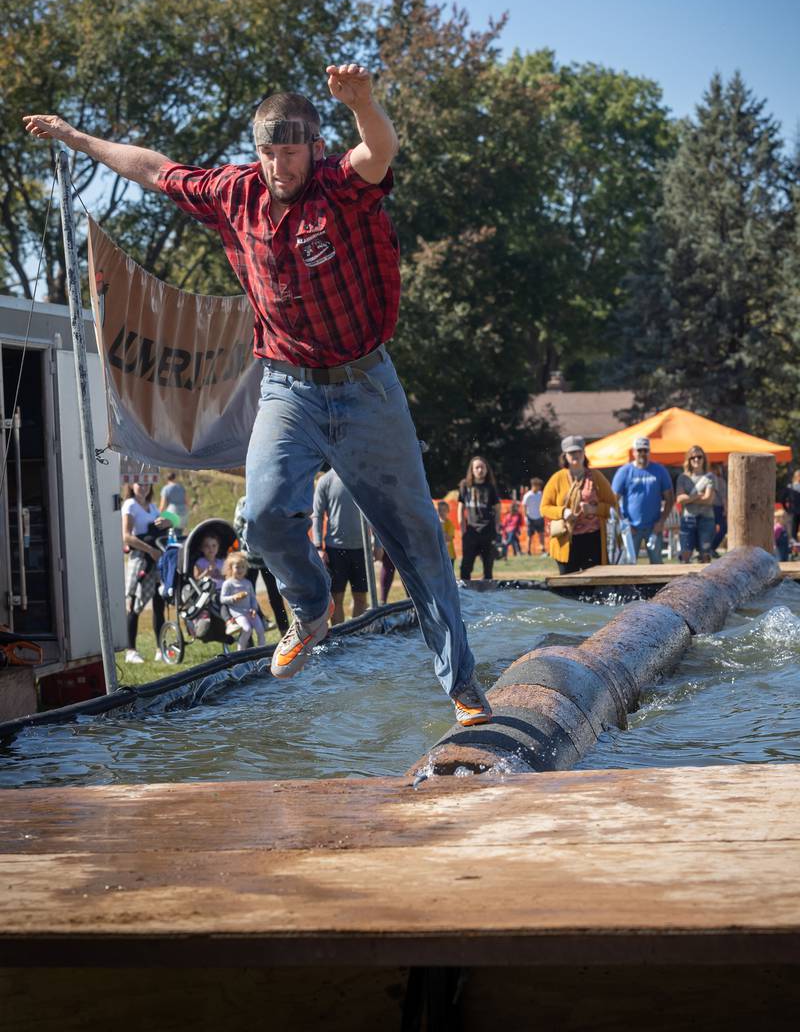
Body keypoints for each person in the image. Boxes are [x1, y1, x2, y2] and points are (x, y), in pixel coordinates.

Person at [24, 66, 491, 728]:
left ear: (313, 148)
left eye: (291, 152)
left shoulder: (339, 188)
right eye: (269, 152)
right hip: (286, 386)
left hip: (366, 386)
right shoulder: (233, 192)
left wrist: (364, 104)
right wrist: (77, 137)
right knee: (264, 515)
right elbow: (154, 169)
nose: (279, 166)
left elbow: (378, 152)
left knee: (416, 538)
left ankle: (463, 685)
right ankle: (309, 609)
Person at [541, 436, 617, 575]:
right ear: (565, 456)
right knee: (568, 586)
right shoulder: (557, 479)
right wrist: (563, 512)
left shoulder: (596, 476)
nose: (575, 456)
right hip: (566, 540)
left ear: (584, 454)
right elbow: (544, 507)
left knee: (594, 584)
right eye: (571, 453)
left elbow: (613, 506)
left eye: (578, 452)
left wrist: (594, 509)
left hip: (593, 539)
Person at [312, 468, 368, 625]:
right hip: (335, 549)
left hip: (361, 548)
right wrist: (318, 547)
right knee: (336, 599)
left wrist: (378, 543)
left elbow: (375, 510)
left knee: (361, 597)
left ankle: (359, 637)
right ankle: (341, 641)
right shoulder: (326, 480)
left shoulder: (363, 476)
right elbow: (317, 515)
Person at [121, 482, 169, 663]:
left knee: (159, 603)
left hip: (155, 559)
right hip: (140, 558)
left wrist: (168, 521)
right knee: (134, 604)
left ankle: (160, 648)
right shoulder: (130, 505)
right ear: (131, 485)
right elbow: (126, 536)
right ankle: (131, 651)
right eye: (139, 483)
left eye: (147, 483)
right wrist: (150, 550)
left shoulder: (153, 507)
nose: (143, 486)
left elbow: (172, 522)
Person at [611, 436, 674, 564]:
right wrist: (624, 522)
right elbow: (613, 500)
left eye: (645, 450)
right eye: (639, 450)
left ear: (649, 452)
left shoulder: (659, 470)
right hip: (631, 527)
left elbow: (670, 498)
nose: (642, 454)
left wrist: (661, 521)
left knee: (657, 564)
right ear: (633, 452)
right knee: (629, 564)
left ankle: (657, 585)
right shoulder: (624, 472)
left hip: (654, 527)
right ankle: (629, 586)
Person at [233, 495, 290, 633]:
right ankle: (252, 631)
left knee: (275, 596)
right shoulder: (244, 501)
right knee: (246, 596)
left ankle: (285, 630)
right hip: (248, 559)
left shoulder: (269, 499)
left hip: (268, 558)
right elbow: (237, 527)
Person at [457, 457, 501, 581]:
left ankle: (487, 597)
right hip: (471, 531)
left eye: (482, 467)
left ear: (487, 469)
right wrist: (462, 526)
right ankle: (465, 596)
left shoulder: (491, 487)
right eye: (477, 467)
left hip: (488, 531)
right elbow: (460, 507)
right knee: (465, 567)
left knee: (488, 568)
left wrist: (498, 526)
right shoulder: (465, 485)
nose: (480, 470)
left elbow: (498, 508)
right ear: (472, 469)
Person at [674, 445, 716, 563]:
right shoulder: (683, 477)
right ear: (689, 460)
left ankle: (705, 581)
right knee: (685, 554)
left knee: (705, 555)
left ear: (704, 459)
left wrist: (688, 498)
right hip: (688, 519)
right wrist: (698, 495)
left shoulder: (710, 476)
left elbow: (708, 499)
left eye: (699, 457)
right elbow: (679, 499)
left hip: (706, 519)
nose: (696, 460)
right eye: (693, 458)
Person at [220, 552, 267, 650]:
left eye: (243, 567)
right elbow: (222, 599)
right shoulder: (228, 584)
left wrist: (254, 609)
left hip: (249, 611)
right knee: (247, 629)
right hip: (238, 613)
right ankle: (240, 651)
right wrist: (233, 598)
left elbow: (253, 598)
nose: (240, 570)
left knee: (260, 629)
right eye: (237, 567)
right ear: (231, 568)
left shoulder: (248, 583)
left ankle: (262, 651)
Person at [521, 478, 545, 554]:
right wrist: (525, 517)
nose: (539, 487)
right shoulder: (527, 495)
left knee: (541, 534)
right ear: (533, 485)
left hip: (539, 517)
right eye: (537, 486)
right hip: (530, 518)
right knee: (529, 535)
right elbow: (524, 506)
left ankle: (543, 549)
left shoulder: (541, 494)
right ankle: (528, 550)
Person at [710, 461, 728, 555]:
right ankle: (711, 548)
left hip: (712, 507)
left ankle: (710, 548)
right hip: (716, 507)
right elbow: (723, 497)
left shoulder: (716, 480)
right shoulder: (720, 481)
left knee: (715, 529)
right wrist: (726, 509)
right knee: (723, 528)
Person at [781, 468, 800, 541]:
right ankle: (793, 548)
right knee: (792, 532)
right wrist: (787, 509)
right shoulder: (790, 487)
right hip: (793, 512)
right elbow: (783, 499)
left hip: (794, 511)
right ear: (796, 476)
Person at [437, 501, 456, 568]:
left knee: (449, 574)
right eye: (439, 510)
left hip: (449, 555)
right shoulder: (436, 524)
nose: (441, 512)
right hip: (438, 555)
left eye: (444, 510)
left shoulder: (449, 524)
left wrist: (441, 529)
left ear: (448, 511)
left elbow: (449, 538)